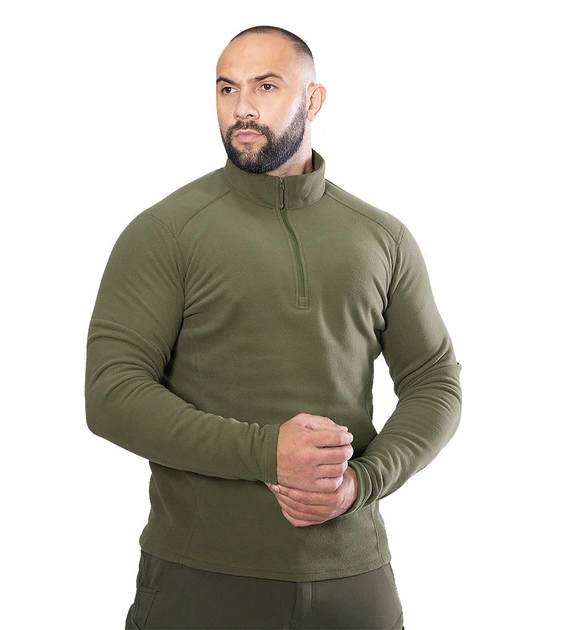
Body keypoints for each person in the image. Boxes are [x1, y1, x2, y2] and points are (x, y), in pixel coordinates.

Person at [85, 25, 461, 630]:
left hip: (355, 581)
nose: (242, 108)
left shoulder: (382, 237)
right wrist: (267, 451)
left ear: (313, 100)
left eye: (265, 86)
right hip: (202, 578)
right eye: (226, 89)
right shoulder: (165, 232)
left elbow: (435, 381)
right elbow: (111, 395)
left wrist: (362, 483)